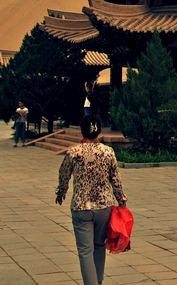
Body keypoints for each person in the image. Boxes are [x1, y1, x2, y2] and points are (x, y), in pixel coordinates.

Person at [56, 114, 127, 285]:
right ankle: (99, 280)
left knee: (85, 251)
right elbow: (115, 178)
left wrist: (61, 192)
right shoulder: (108, 152)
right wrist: (121, 199)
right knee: (99, 245)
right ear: (100, 130)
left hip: (81, 206)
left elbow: (63, 173)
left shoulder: (74, 152)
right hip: (104, 207)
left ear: (82, 131)